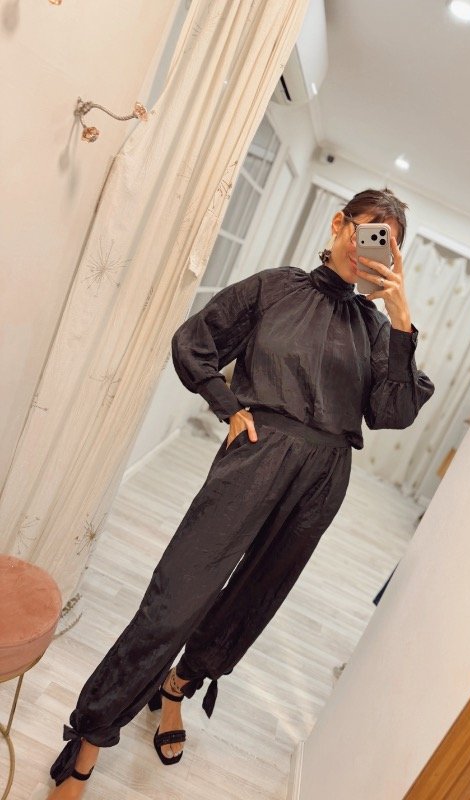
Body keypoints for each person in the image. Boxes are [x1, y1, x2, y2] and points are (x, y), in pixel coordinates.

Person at [46, 187, 434, 797]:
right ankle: (90, 737)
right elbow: (194, 342)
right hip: (256, 454)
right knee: (177, 598)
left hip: (324, 476)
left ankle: (177, 689)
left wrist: (402, 315)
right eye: (367, 232)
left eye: (387, 245)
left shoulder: (377, 328)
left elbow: (394, 412)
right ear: (340, 224)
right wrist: (228, 406)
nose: (371, 250)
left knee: (251, 603)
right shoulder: (276, 288)